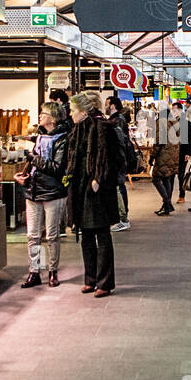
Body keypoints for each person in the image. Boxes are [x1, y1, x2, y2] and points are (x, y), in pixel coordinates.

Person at [65, 92, 122, 296]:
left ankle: (105, 282)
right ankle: (91, 278)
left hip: (99, 189)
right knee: (86, 234)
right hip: (81, 187)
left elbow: (111, 158)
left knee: (102, 234)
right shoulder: (78, 129)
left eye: (72, 110)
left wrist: (98, 179)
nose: (70, 114)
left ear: (82, 111)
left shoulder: (102, 127)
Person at [16, 102, 69, 289]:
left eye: (43, 113)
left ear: (53, 118)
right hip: (34, 190)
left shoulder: (63, 139)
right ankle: (35, 271)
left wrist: (32, 158)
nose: (40, 116)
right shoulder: (39, 138)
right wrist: (25, 174)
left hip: (54, 192)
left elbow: (57, 168)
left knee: (52, 235)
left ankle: (53, 271)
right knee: (33, 235)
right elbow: (36, 165)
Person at [105, 95, 132, 232]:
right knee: (119, 186)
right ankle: (121, 216)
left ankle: (123, 218)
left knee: (119, 186)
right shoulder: (115, 119)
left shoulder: (117, 120)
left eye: (106, 104)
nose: (105, 106)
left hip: (119, 158)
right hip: (119, 158)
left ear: (112, 106)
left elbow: (120, 142)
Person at [150, 103, 181, 216]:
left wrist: (152, 156)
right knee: (167, 178)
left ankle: (167, 203)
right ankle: (166, 205)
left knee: (156, 178)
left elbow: (159, 141)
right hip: (173, 155)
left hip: (164, 155)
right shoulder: (175, 123)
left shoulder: (161, 123)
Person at [175, 101, 191, 204]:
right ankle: (168, 197)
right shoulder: (171, 123)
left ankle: (181, 195)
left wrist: (189, 152)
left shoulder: (186, 123)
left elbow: (190, 138)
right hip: (172, 153)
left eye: (174, 110)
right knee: (170, 175)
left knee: (181, 174)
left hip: (183, 152)